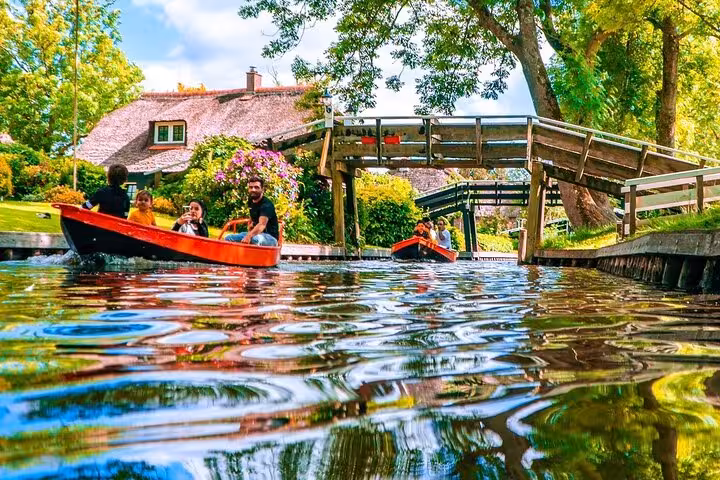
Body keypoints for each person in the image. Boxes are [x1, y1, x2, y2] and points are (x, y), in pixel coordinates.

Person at [225, 176, 279, 246]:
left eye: (256, 187)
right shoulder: (251, 201)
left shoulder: (266, 205)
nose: (253, 189)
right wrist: (252, 225)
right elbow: (254, 217)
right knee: (229, 237)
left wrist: (249, 236)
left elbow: (262, 225)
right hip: (258, 234)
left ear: (262, 189)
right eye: (251, 187)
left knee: (254, 239)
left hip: (270, 237)